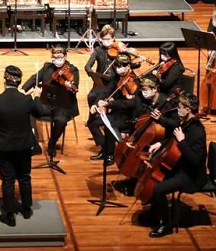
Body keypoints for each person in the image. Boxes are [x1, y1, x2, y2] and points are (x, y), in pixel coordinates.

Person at [0, 65, 51, 226]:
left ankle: (9, 214)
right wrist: (38, 97)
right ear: (19, 82)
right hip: (24, 145)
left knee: (7, 179)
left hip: (4, 146)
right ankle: (27, 209)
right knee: (25, 177)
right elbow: (40, 113)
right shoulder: (27, 100)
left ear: (5, 81)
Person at [145, 92, 207, 238]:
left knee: (158, 189)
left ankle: (166, 225)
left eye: (179, 107)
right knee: (154, 178)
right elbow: (173, 129)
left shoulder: (198, 132)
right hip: (181, 166)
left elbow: (195, 160)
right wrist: (159, 143)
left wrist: (182, 141)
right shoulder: (186, 122)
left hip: (191, 175)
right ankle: (156, 213)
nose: (177, 110)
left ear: (187, 109)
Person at [22, 46, 79, 160]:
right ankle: (34, 145)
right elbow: (34, 78)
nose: (56, 60)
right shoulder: (47, 67)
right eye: (54, 57)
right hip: (46, 102)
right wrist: (24, 89)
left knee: (61, 120)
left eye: (59, 57)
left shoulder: (73, 70)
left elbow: (75, 87)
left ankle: (52, 143)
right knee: (25, 111)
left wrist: (69, 87)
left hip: (64, 104)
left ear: (65, 57)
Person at [87, 53, 140, 165]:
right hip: (117, 113)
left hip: (128, 117)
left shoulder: (135, 82)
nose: (119, 70)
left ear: (128, 67)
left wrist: (109, 104)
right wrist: (95, 103)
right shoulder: (117, 78)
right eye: (117, 67)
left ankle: (110, 154)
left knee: (109, 126)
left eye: (122, 67)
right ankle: (105, 149)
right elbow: (105, 91)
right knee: (92, 123)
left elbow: (129, 104)